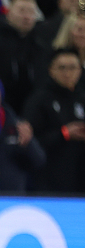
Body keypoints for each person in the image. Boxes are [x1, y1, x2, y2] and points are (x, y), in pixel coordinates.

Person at [20, 48, 85, 193]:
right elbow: (31, 142)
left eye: (72, 68)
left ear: (80, 70)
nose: (67, 73)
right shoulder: (38, 101)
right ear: (51, 70)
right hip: (50, 182)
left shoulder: (82, 98)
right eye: (62, 68)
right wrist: (64, 134)